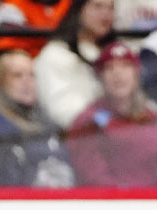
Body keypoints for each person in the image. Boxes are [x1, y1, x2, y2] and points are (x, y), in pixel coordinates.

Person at [65, 41, 157, 185]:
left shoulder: (156, 120)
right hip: (113, 199)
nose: (118, 74)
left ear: (136, 73)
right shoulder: (87, 122)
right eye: (109, 68)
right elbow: (93, 179)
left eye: (125, 66)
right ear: (100, 77)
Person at [0, 49, 77, 187]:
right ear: (1, 83)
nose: (27, 82)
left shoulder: (48, 124)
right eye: (17, 75)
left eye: (32, 75)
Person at [35, 0, 116, 129]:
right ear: (78, 9)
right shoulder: (56, 54)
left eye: (111, 8)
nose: (106, 14)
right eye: (97, 6)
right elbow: (62, 109)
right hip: (78, 134)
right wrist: (103, 121)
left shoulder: (114, 52)